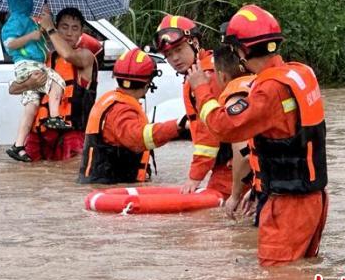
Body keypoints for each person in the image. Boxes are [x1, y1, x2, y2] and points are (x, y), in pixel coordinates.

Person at [190, 4, 328, 266]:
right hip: (313, 199)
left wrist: (201, 90)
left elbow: (225, 126)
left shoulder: (270, 90)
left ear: (242, 51)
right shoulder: (300, 73)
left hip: (287, 205)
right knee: (298, 278)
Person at [152, 14, 233, 197]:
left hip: (230, 168)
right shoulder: (211, 66)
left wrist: (194, 178)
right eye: (168, 54)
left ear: (194, 43)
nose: (174, 58)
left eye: (179, 49)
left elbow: (207, 133)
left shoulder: (203, 77)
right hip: (237, 161)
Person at [78, 48, 183, 184]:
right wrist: (178, 126)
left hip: (100, 185)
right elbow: (138, 137)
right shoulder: (122, 110)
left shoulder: (110, 101)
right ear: (148, 83)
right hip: (112, 191)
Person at [9, 7, 100, 161]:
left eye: (75, 28)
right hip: (40, 135)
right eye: (64, 27)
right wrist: (29, 83)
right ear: (58, 27)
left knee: (68, 179)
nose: (69, 33)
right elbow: (13, 89)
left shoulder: (86, 57)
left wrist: (49, 28)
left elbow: (68, 54)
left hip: (72, 134)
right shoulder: (44, 59)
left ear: (81, 33)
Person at [1, 0, 70, 162]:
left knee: (30, 107)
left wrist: (43, 26)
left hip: (27, 66)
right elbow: (9, 44)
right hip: (29, 65)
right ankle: (54, 117)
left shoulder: (28, 21)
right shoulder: (17, 20)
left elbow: (38, 41)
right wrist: (33, 35)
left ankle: (18, 145)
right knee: (57, 83)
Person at [212, 45, 256, 220]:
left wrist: (235, 195)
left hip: (261, 187)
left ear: (222, 76)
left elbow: (243, 152)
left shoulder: (235, 98)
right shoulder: (263, 85)